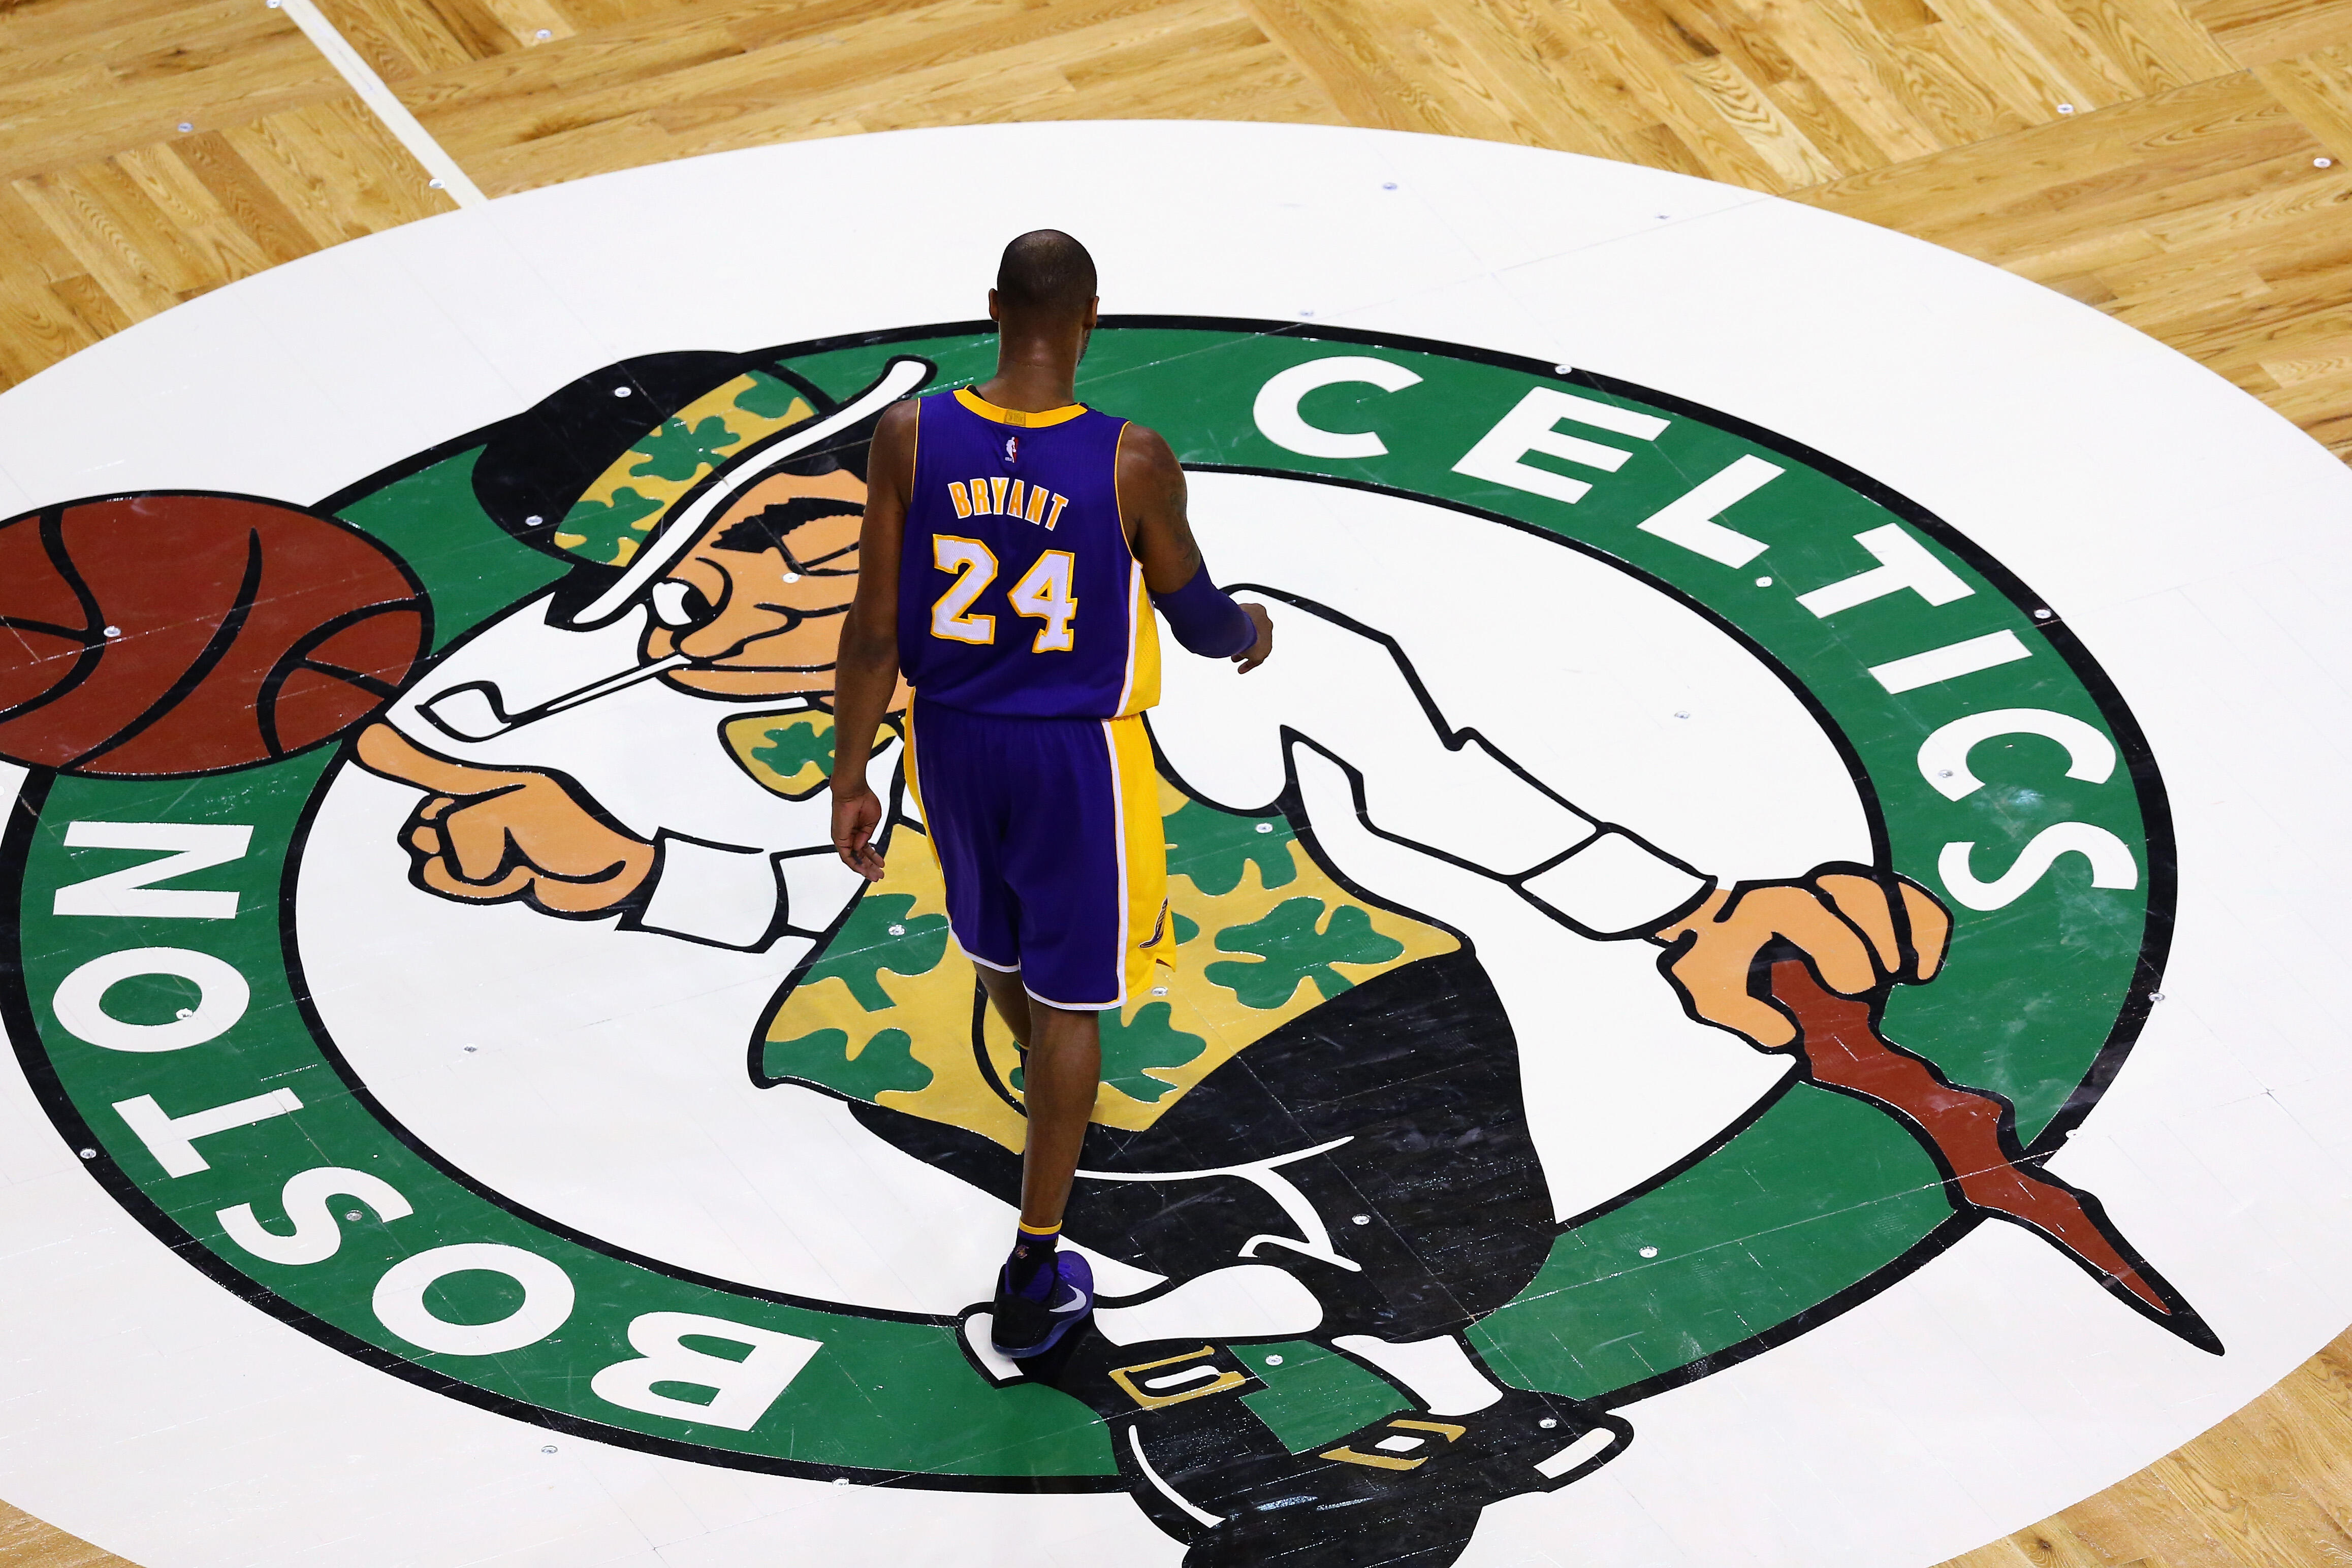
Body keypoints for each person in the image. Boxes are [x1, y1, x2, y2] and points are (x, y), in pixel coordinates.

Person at [825, 230, 1274, 1358]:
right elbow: (1194, 609)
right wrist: (1249, 632)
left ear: (991, 308)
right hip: (1074, 757)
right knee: (1074, 1006)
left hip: (951, 741)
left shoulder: (909, 432)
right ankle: (1035, 1261)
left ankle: (1050, 1105)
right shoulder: (1129, 459)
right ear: (1090, 319)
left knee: (995, 948)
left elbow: (874, 624)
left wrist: (848, 773)